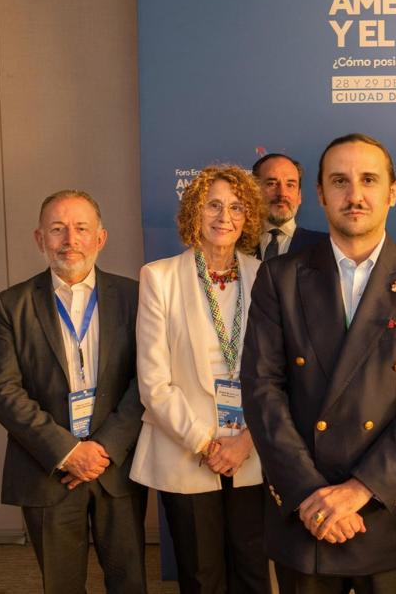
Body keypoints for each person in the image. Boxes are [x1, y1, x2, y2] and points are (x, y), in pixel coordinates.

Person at [241, 133, 396, 593]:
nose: (355, 195)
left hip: (388, 510)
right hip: (307, 514)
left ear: (392, 192)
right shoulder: (280, 278)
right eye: (339, 181)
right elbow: (262, 390)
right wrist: (309, 495)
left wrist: (361, 490)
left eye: (368, 180)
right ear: (320, 194)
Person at [0, 190, 146, 593]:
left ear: (100, 238)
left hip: (117, 466)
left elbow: (145, 379)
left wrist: (103, 448)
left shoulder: (135, 297)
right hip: (46, 468)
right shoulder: (9, 306)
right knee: (62, 585)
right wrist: (69, 451)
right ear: (40, 239)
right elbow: (3, 390)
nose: (69, 239)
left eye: (80, 228)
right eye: (57, 229)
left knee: (129, 582)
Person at [129, 165, 269, 593]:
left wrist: (245, 440)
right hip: (186, 450)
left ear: (248, 219)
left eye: (236, 207)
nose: (224, 216)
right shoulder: (160, 277)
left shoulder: (263, 275)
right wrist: (207, 444)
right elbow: (154, 383)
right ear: (195, 211)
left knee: (251, 571)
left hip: (250, 450)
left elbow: (272, 373)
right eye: (213, 205)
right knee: (201, 575)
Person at [252, 153, 327, 259]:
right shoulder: (235, 245)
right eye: (271, 184)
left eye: (290, 185)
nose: (282, 193)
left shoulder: (326, 248)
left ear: (299, 195)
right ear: (254, 191)